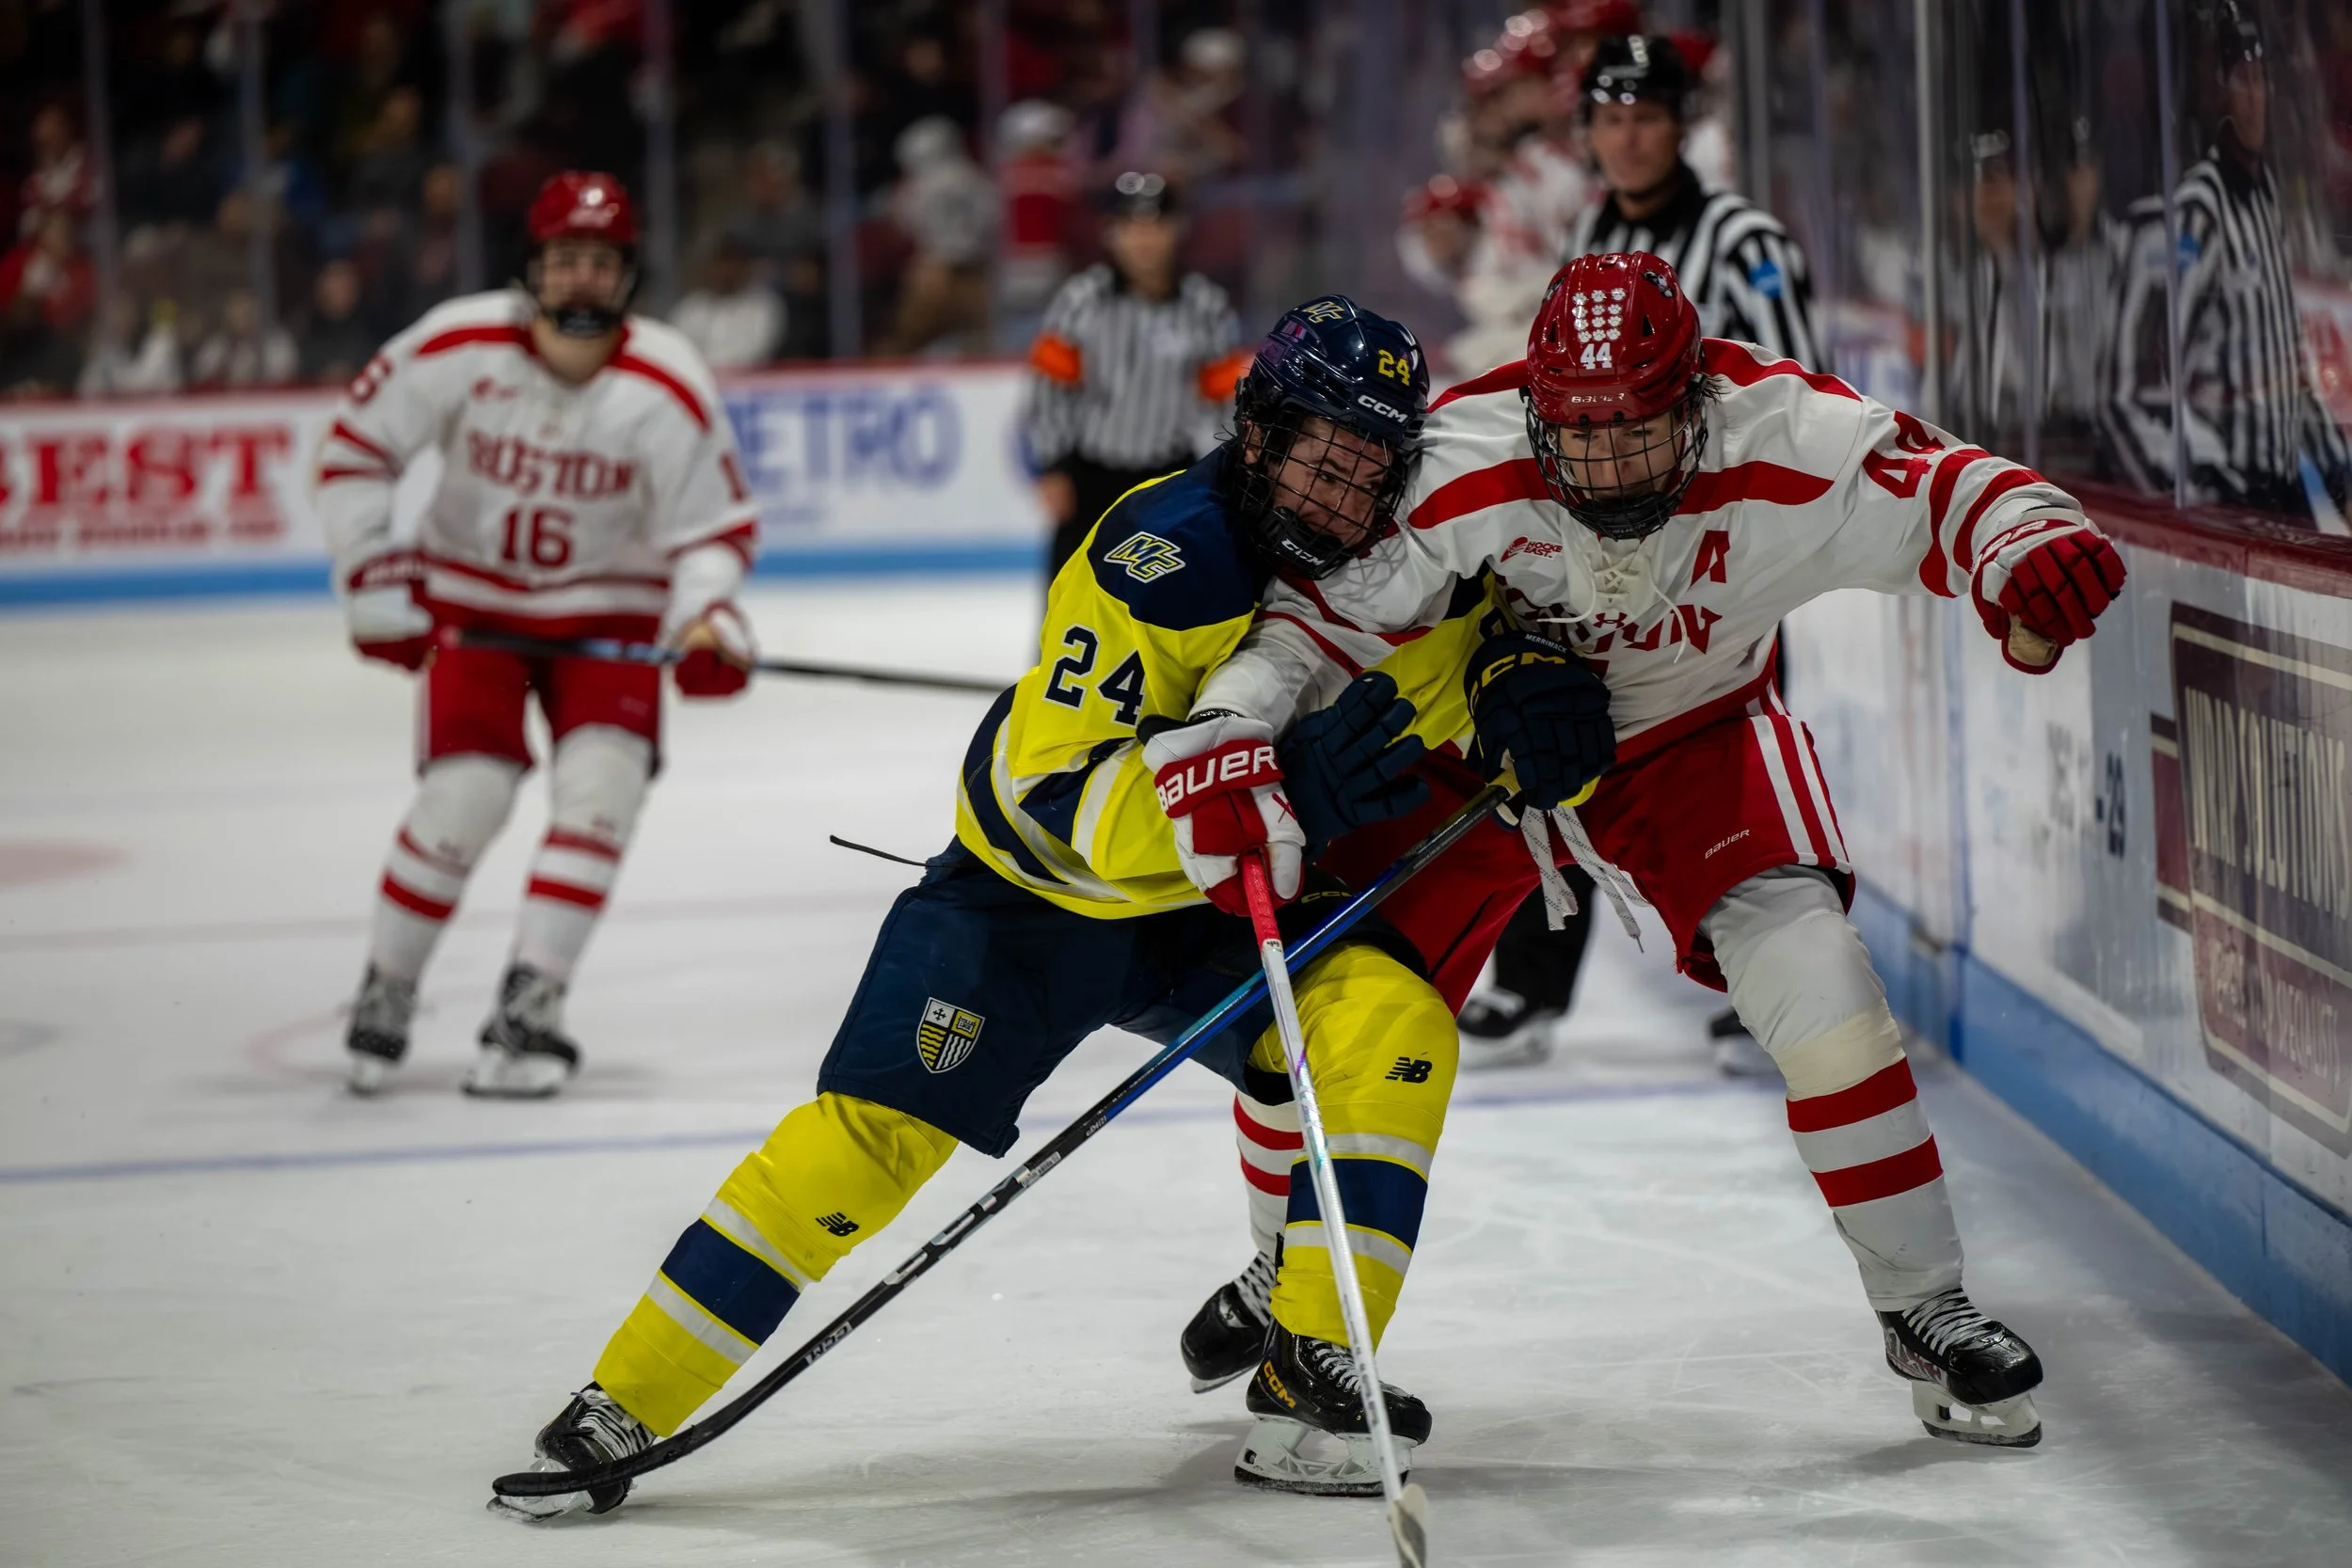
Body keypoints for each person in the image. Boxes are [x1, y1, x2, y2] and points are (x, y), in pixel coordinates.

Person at [485, 297, 1508, 1517]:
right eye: (1321, 457)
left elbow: (1451, 677)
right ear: (1260, 433)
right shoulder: (1166, 556)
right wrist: (1276, 788)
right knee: (867, 1140)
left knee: (1385, 1025)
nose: (1344, 498)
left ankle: (1308, 1357)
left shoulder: (1396, 563)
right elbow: (1048, 796)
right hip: (1033, 905)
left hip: (1203, 905)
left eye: (1371, 470)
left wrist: (1517, 681)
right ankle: (624, 1395)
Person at [1185, 251, 2134, 1449]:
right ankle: (1287, 1280)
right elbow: (1316, 622)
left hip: (1695, 739)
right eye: (1578, 438)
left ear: (1698, 400)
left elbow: (1952, 488)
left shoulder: (1787, 433)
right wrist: (1232, 726)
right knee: (1324, 1014)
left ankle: (1924, 1303)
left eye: (1638, 434)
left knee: (1826, 991)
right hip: (1472, 759)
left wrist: (2026, 542)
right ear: (1535, 408)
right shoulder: (1468, 454)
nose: (1607, 466)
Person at [314, 170, 760, 1100]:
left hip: (610, 619)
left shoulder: (666, 382)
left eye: (601, 263)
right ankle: (387, 988)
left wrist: (707, 615)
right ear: (532, 268)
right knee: (463, 796)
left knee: (602, 790)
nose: (582, 282)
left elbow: (711, 530)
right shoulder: (457, 343)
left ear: (628, 274)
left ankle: (532, 1001)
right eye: (565, 261)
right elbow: (356, 448)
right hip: (476, 613)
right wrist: (370, 572)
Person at [1463, 31, 1826, 1073]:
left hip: (1721, 556)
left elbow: (1798, 396)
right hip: (1597, 551)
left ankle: (1762, 990)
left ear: (1681, 125)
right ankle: (1530, 985)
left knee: (1724, 755)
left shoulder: (1744, 239)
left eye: (1646, 118)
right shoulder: (1585, 232)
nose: (1627, 139)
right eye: (1608, 119)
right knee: (1557, 744)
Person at [2102, 2, 2351, 525]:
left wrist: (2339, 476)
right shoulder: (2193, 216)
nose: (2257, 96)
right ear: (2215, 92)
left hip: (2277, 503)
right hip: (2229, 508)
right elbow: (2126, 398)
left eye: (2262, 79)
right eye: (2242, 80)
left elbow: (2289, 373)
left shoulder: (2266, 204)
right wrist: (2192, 504)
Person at [1024, 172, 1248, 579]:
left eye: (1154, 225)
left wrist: (1224, 473)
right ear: (1112, 233)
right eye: (1130, 226)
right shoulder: (1080, 300)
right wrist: (1053, 467)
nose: (1143, 239)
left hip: (1168, 479)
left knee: (1164, 602)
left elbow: (1224, 400)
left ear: (1176, 229)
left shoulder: (1206, 307)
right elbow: (1050, 391)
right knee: (1068, 600)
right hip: (1090, 478)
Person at [668, 232, 785, 371]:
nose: (726, 270)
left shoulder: (764, 306)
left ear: (745, 267)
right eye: (721, 262)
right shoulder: (690, 308)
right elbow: (677, 350)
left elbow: (756, 354)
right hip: (699, 381)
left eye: (733, 263)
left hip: (748, 385)